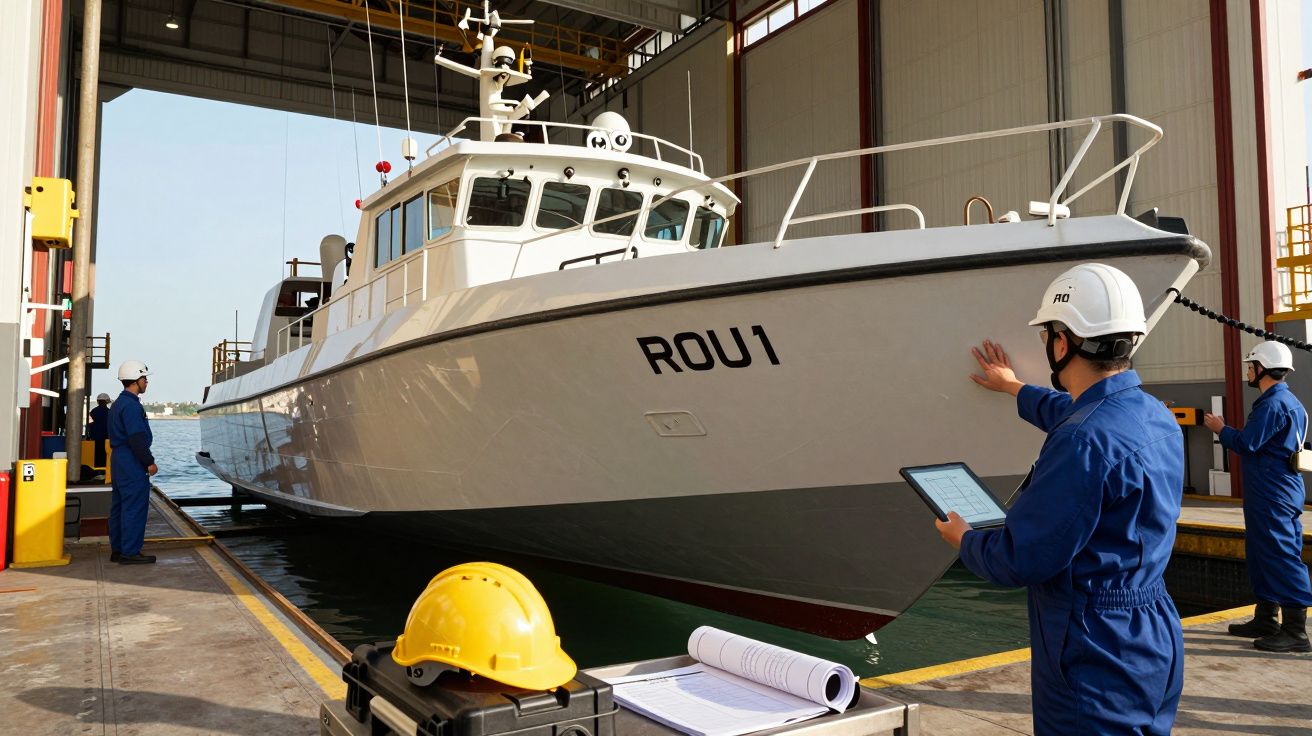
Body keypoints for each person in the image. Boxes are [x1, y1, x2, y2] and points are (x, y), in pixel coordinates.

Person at [937, 263, 1184, 735]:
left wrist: (965, 539)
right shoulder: (1152, 415)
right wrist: (1012, 387)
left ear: (1064, 341)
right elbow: (1075, 412)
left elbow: (1022, 558)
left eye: (1049, 333)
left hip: (1093, 650)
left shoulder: (1081, 441)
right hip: (1153, 639)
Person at [1203, 341, 1312, 652]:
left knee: (1281, 556)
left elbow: (1247, 443)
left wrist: (1220, 429)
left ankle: (1295, 631)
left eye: (1251, 366)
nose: (1248, 372)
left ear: (1264, 368)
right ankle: (1266, 617)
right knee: (1263, 554)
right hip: (1274, 491)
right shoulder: (1289, 402)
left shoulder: (1272, 405)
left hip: (1273, 494)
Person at [108, 360, 158, 565]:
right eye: (144, 378)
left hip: (119, 459)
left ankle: (118, 549)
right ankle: (130, 551)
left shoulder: (118, 404)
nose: (146, 382)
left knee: (119, 506)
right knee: (134, 507)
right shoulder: (130, 406)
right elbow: (136, 438)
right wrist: (149, 462)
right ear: (136, 380)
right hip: (131, 459)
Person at [88, 393, 111, 468]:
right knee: (105, 458)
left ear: (98, 401)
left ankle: (97, 472)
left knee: (96, 457)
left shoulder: (93, 412)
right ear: (106, 402)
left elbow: (89, 425)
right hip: (107, 439)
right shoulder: (110, 412)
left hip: (95, 439)